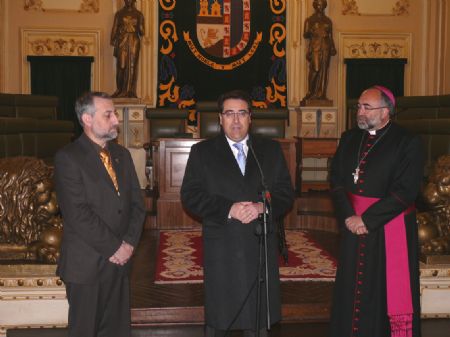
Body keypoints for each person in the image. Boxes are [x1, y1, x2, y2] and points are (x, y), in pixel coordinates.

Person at [181, 90, 294, 337]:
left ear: (250, 117)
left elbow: (286, 192)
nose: (236, 120)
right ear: (220, 118)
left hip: (259, 244)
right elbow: (190, 195)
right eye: (229, 113)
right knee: (222, 315)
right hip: (223, 244)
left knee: (257, 317)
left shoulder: (270, 150)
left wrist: (262, 207)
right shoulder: (203, 152)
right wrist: (228, 209)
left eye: (241, 113)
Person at [329, 86, 423, 337]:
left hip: (387, 228)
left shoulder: (407, 142)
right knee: (351, 289)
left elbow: (405, 191)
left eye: (366, 107)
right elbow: (336, 181)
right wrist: (349, 215)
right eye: (358, 106)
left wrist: (367, 220)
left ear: (386, 112)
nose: (359, 111)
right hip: (352, 226)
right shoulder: (349, 138)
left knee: (383, 290)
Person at [54, 91, 146, 337]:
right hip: (86, 266)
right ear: (87, 118)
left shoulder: (122, 155)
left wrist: (129, 244)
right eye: (109, 114)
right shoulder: (68, 158)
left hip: (120, 264)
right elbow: (78, 214)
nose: (116, 119)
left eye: (114, 113)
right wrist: (116, 247)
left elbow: (137, 205)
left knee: (117, 331)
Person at [301, 0, 336, 103]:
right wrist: (312, 32)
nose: (320, 7)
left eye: (322, 5)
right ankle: (311, 92)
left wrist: (333, 47)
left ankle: (322, 95)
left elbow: (330, 36)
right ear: (315, 6)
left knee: (324, 71)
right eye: (318, 5)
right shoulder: (310, 20)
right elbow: (305, 34)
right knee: (315, 69)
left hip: (326, 47)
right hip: (315, 47)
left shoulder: (328, 21)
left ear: (324, 6)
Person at [110, 0, 145, 98]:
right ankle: (120, 89)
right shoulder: (119, 14)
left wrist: (139, 25)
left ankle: (130, 91)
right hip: (122, 40)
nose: (128, 0)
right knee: (121, 66)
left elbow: (142, 32)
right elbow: (114, 28)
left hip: (134, 40)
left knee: (132, 66)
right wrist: (113, 39)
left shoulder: (139, 14)